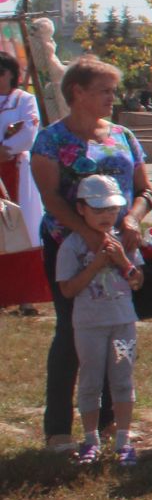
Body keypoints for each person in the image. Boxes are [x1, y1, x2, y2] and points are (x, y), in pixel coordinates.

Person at [31, 57, 152, 449]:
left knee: (115, 328)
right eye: (104, 90)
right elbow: (50, 197)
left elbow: (144, 189)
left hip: (121, 248)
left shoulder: (123, 135)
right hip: (69, 246)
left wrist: (131, 220)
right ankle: (59, 428)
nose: (111, 98)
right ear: (77, 93)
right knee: (72, 330)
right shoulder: (51, 139)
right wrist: (86, 234)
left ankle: (105, 423)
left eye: (112, 90)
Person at [57, 174, 145, 465]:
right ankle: (90, 439)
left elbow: (137, 282)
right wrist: (95, 264)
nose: (107, 216)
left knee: (122, 379)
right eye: (98, 210)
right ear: (81, 209)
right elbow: (67, 289)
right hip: (89, 324)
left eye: (112, 209)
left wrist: (122, 261)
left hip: (122, 321)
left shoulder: (125, 241)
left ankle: (123, 439)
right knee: (91, 381)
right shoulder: (71, 246)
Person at [0, 52, 51, 313]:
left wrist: (6, 148)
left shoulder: (24, 100)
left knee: (22, 229)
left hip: (15, 169)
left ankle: (25, 297)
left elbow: (29, 132)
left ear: (12, 75)